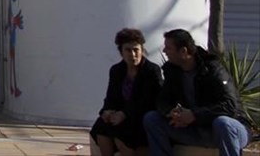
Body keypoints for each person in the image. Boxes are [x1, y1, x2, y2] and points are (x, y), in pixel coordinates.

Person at [143, 28, 250, 156]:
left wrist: (195, 115)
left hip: (228, 130)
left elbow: (230, 106)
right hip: (194, 129)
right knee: (152, 119)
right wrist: (171, 112)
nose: (164, 51)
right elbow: (162, 100)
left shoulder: (213, 69)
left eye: (168, 48)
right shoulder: (172, 71)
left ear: (183, 51)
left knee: (223, 123)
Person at [89, 28, 163, 156]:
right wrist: (106, 111)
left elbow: (148, 100)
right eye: (128, 50)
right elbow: (111, 97)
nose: (133, 54)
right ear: (121, 52)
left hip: (140, 116)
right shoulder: (116, 70)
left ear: (142, 50)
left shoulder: (151, 70)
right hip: (120, 116)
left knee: (122, 132)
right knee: (101, 126)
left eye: (136, 50)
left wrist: (125, 114)